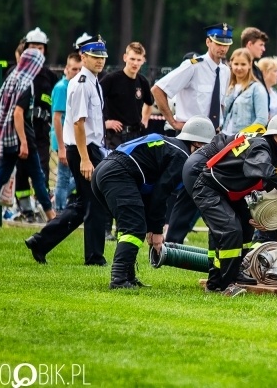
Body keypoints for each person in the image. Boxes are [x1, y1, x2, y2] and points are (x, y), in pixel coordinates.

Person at [188, 111, 277, 297]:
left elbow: (262, 189)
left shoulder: (270, 152)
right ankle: (227, 285)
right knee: (230, 230)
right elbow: (262, 169)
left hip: (228, 193)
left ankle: (218, 281)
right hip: (209, 189)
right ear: (276, 134)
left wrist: (262, 216)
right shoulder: (262, 146)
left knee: (245, 229)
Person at [92, 116, 215, 289]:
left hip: (105, 170)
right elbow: (161, 194)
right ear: (198, 144)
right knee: (134, 227)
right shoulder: (182, 156)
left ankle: (128, 277)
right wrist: (157, 231)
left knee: (131, 226)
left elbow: (151, 194)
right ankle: (119, 279)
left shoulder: (171, 146)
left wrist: (151, 226)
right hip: (118, 174)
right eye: (207, 150)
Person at [24, 36, 109, 265]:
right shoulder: (82, 83)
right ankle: (94, 257)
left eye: (102, 57)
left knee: (83, 204)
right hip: (83, 149)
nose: (100, 61)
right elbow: (79, 124)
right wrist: (85, 159)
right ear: (83, 56)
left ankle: (41, 241)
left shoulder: (92, 81)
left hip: (90, 148)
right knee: (94, 203)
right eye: (95, 56)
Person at [0, 49, 54, 227]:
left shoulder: (11, 79)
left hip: (6, 137)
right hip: (22, 138)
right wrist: (24, 142)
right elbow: (18, 113)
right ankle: (52, 217)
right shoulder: (26, 83)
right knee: (38, 178)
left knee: (1, 175)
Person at [151, 23, 233, 132]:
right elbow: (157, 89)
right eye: (218, 44)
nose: (223, 48)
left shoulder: (225, 71)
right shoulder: (193, 66)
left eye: (226, 45)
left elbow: (220, 104)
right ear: (208, 42)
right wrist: (173, 122)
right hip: (190, 133)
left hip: (214, 133)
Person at [14, 28, 58, 222]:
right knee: (21, 170)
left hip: (41, 131)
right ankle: (25, 209)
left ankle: (43, 205)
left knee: (42, 168)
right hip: (21, 130)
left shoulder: (50, 76)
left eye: (40, 48)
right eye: (32, 47)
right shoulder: (17, 73)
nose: (36, 51)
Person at [100, 42, 154, 150]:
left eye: (139, 60)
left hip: (136, 135)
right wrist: (104, 123)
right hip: (115, 135)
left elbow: (149, 102)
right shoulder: (111, 79)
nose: (135, 63)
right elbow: (93, 101)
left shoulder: (143, 81)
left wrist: (145, 120)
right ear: (125, 57)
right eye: (132, 59)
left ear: (143, 61)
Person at [51, 53, 82, 213]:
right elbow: (57, 119)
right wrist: (61, 147)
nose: (77, 73)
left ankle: (58, 202)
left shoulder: (75, 86)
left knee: (74, 176)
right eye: (74, 69)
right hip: (63, 140)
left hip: (72, 139)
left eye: (80, 69)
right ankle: (59, 209)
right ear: (66, 69)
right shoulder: (62, 87)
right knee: (64, 178)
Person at [221, 48, 268, 135]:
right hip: (225, 137)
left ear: (250, 64)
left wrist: (244, 135)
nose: (239, 68)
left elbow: (262, 120)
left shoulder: (257, 88)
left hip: (244, 139)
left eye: (243, 64)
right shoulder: (228, 87)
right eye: (236, 64)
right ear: (231, 64)